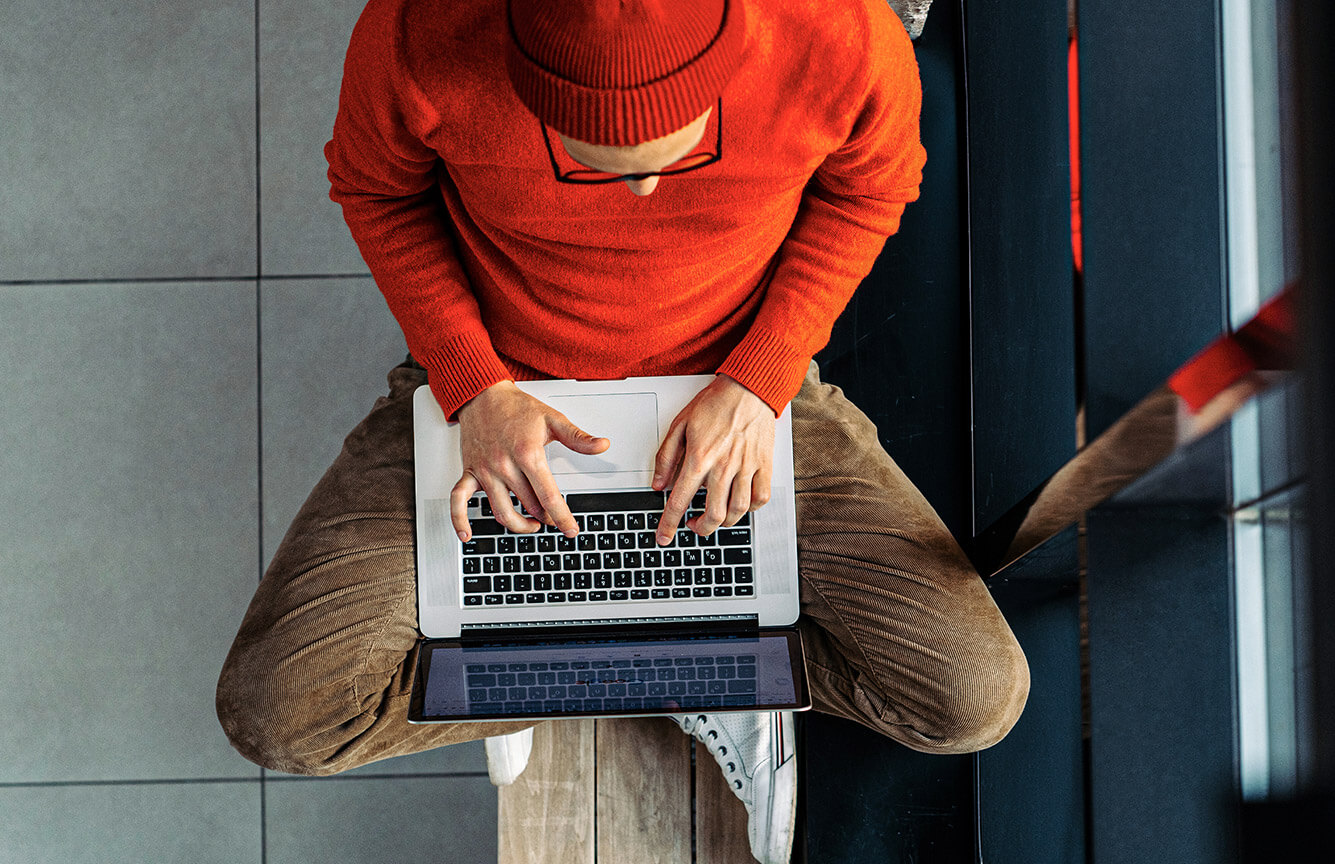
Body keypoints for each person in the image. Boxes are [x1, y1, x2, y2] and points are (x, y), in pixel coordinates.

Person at [215, 1, 1030, 861]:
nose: (642, 192)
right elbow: (377, 190)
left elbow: (873, 189)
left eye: (661, 157)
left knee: (973, 698)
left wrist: (763, 376)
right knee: (281, 717)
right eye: (596, 159)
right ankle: (566, 666)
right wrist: (474, 383)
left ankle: (628, 670)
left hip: (738, 382)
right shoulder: (422, 30)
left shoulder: (840, 32)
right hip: (501, 379)